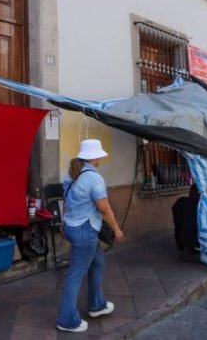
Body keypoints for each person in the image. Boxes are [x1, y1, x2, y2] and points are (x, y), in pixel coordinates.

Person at [56, 139, 125, 333]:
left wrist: (64, 220)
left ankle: (97, 305)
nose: (102, 157)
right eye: (100, 154)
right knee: (75, 275)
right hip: (84, 230)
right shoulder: (94, 178)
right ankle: (67, 319)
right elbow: (104, 208)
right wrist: (117, 229)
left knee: (97, 263)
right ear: (93, 157)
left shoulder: (71, 174)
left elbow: (67, 201)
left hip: (72, 226)